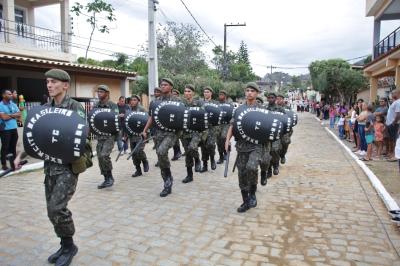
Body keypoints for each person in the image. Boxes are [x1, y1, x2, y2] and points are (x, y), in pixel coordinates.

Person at [41, 69, 86, 266]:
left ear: (65, 85)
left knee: (56, 208)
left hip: (68, 166)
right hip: (49, 167)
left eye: (54, 82)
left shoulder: (75, 107)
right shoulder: (44, 108)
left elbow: (82, 135)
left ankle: (70, 247)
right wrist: (21, 155)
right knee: (52, 210)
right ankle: (65, 243)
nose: (49, 85)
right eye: (48, 82)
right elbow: (38, 136)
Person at [225, 82, 264, 213]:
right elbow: (232, 125)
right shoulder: (239, 109)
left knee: (251, 167)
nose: (249, 93)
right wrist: (227, 141)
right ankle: (245, 201)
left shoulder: (262, 109)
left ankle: (252, 192)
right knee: (242, 174)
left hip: (256, 146)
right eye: (247, 90)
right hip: (241, 147)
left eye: (252, 91)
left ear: (257, 93)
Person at [142, 78, 181, 197]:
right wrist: (145, 130)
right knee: (160, 155)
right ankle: (167, 181)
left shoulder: (178, 101)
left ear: (171, 87)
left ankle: (168, 180)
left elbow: (183, 116)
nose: (162, 86)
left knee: (161, 151)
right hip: (159, 133)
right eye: (161, 85)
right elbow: (151, 118)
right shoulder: (155, 102)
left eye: (165, 85)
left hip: (172, 133)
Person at [94, 85, 119, 189]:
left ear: (107, 93)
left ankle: (110, 177)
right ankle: (106, 178)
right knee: (100, 157)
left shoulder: (113, 106)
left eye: (101, 92)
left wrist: (119, 138)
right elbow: (93, 118)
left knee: (104, 155)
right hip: (100, 135)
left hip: (110, 135)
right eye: (98, 92)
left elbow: (116, 121)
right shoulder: (96, 105)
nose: (99, 93)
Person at [181, 84, 203, 183]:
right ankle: (189, 175)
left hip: (196, 131)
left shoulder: (198, 103)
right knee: (188, 154)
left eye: (189, 91)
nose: (187, 93)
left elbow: (204, 116)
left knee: (192, 147)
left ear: (193, 93)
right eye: (185, 91)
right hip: (185, 132)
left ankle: (197, 159)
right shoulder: (181, 103)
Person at [265, 92, 286, 177]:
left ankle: (276, 165)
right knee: (267, 152)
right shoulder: (264, 109)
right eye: (269, 98)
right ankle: (269, 169)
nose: (270, 99)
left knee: (274, 150)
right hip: (266, 133)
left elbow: (285, 121)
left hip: (276, 134)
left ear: (275, 98)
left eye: (272, 97)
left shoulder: (280, 109)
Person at [128, 95, 149, 177]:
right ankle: (138, 170)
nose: (132, 101)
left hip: (140, 135)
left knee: (138, 151)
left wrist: (146, 132)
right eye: (131, 100)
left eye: (134, 100)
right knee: (134, 154)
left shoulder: (142, 109)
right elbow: (127, 123)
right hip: (132, 135)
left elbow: (147, 121)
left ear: (138, 101)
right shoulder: (129, 110)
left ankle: (144, 161)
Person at [0, 89, 21, 170]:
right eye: (9, 94)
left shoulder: (13, 104)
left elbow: (19, 114)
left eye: (11, 94)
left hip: (13, 128)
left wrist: (9, 115)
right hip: (5, 129)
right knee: (5, 147)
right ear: (4, 95)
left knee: (13, 147)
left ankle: (14, 164)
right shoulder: (1, 105)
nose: (11, 95)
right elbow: (3, 117)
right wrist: (13, 115)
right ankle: (4, 164)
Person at [199, 86, 218, 172]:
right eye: (205, 92)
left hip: (212, 127)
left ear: (211, 93)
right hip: (203, 127)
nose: (206, 93)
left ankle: (212, 159)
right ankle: (205, 165)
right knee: (203, 146)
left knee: (211, 144)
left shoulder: (215, 103)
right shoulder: (200, 102)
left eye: (207, 92)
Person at [216, 90, 232, 164]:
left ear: (225, 96)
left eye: (222, 94)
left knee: (223, 137)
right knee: (218, 141)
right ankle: (221, 156)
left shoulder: (229, 104)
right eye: (219, 94)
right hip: (218, 124)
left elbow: (232, 113)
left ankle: (226, 152)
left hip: (226, 124)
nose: (220, 96)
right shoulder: (216, 104)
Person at [386, 89, 400, 162]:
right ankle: (392, 153)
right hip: (390, 124)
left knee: (395, 140)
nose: (391, 94)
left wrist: (394, 122)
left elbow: (398, 114)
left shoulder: (398, 102)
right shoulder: (395, 102)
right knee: (391, 139)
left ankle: (395, 155)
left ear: (398, 94)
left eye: (393, 93)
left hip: (394, 124)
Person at [171, 89, 183, 161]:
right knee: (175, 139)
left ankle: (179, 152)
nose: (174, 95)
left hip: (179, 123)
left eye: (175, 94)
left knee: (181, 139)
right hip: (173, 123)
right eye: (173, 94)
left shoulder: (180, 101)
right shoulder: (170, 101)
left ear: (178, 95)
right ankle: (177, 152)